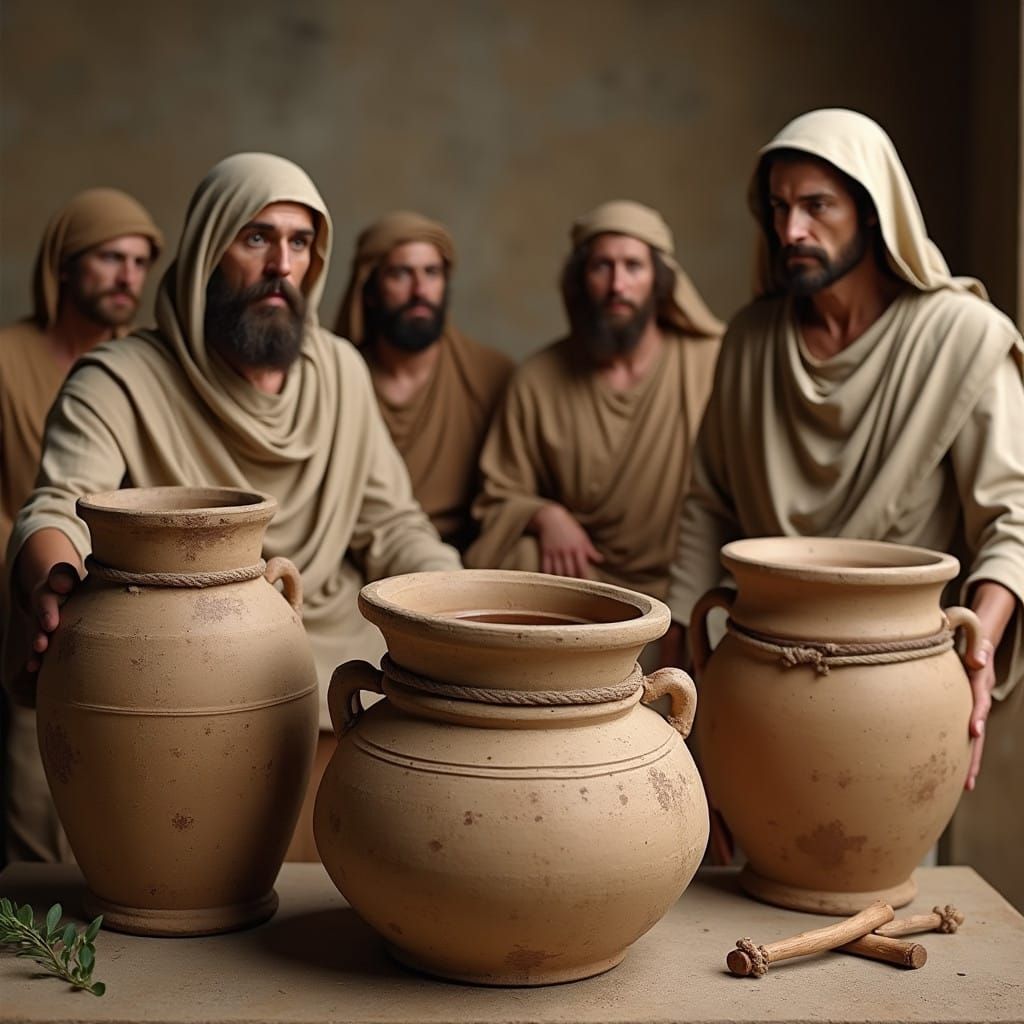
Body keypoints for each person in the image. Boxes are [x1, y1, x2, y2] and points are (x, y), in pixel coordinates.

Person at [3, 153, 461, 862]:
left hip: (330, 642)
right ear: (211, 247)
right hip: (183, 650)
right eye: (256, 237)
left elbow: (393, 524)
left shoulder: (340, 371)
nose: (281, 262)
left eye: (300, 242)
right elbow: (56, 506)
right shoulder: (118, 378)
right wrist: (49, 579)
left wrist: (455, 596)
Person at [665, 109, 1024, 798]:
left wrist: (978, 650)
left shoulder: (963, 339)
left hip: (897, 680)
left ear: (870, 210)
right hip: (757, 670)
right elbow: (708, 505)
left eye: (816, 206)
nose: (790, 230)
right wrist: (681, 659)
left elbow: (1012, 519)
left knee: (880, 886)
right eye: (778, 207)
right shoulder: (750, 341)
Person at [0, 188, 163, 863]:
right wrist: (35, 557)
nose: (128, 276)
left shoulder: (142, 373)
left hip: (120, 587)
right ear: (63, 266)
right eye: (109, 258)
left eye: (139, 261)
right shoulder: (7, 359)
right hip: (31, 575)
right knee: (38, 739)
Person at [465, 200, 722, 601]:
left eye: (633, 266)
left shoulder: (712, 362)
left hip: (685, 578)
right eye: (602, 266)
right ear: (581, 279)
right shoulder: (537, 379)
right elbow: (497, 495)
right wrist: (545, 515)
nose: (618, 285)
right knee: (519, 556)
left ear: (658, 279)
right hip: (582, 577)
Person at [335, 212, 513, 551]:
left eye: (431, 273)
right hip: (366, 551)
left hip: (468, 557)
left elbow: (514, 492)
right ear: (369, 289)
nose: (420, 291)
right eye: (401, 274)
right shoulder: (336, 380)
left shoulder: (492, 376)